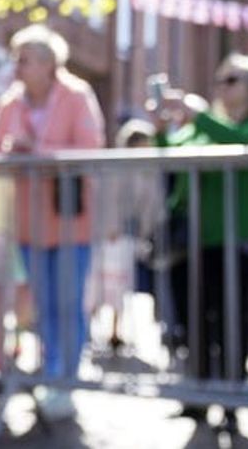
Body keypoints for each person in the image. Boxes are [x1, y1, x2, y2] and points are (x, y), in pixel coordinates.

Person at [0, 24, 105, 419]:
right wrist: (9, 154)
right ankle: (52, 373)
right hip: (30, 223)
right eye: (16, 58)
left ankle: (65, 380)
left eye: (25, 59)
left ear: (50, 64)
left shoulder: (77, 95)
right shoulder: (10, 103)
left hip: (72, 221)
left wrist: (37, 151)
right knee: (43, 303)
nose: (17, 66)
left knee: (69, 303)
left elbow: (90, 149)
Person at [149, 53, 248, 432]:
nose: (222, 86)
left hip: (241, 239)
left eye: (231, 80)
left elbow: (241, 146)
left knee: (233, 319)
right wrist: (162, 129)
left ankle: (232, 401)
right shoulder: (207, 127)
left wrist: (198, 116)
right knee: (196, 320)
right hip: (200, 241)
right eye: (220, 79)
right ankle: (201, 394)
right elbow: (172, 156)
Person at [93, 118, 163, 354]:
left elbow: (150, 203)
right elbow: (110, 198)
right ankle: (98, 329)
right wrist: (111, 226)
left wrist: (146, 230)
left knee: (121, 284)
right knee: (107, 282)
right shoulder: (119, 167)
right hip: (114, 234)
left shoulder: (146, 170)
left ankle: (116, 329)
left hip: (132, 235)